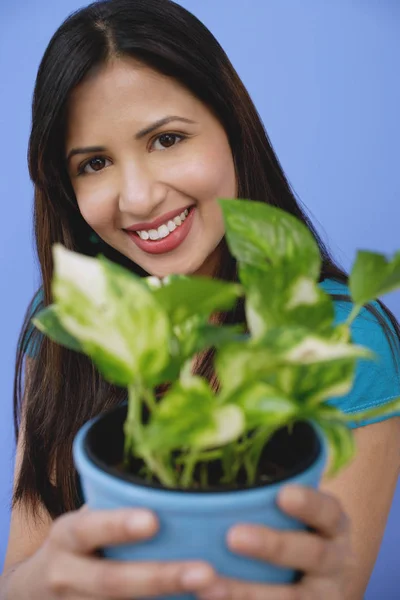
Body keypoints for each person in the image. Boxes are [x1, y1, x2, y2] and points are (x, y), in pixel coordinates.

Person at [2, 0, 400, 598]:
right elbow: (20, 577)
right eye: (95, 163)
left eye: (166, 139)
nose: (136, 199)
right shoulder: (77, 315)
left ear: (233, 129)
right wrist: (47, 579)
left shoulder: (342, 335)